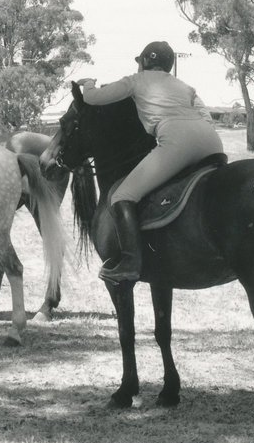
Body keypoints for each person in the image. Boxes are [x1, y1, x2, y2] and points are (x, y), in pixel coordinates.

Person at [77, 40, 224, 283]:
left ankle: (130, 262)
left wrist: (89, 84)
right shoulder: (185, 86)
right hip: (212, 142)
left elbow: (93, 99)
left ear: (145, 61)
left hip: (176, 142)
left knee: (121, 196)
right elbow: (205, 115)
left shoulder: (135, 81)